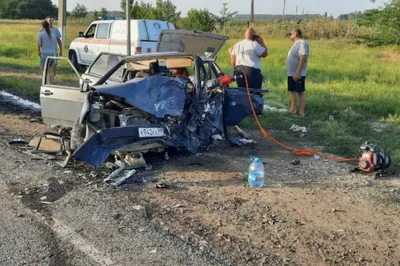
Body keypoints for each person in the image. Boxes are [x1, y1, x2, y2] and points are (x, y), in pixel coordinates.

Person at [286, 27, 310, 117]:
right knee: (292, 90)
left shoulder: (302, 43)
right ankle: (292, 108)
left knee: (300, 91)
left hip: (298, 73)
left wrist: (297, 72)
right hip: (291, 73)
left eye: (291, 33)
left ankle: (301, 111)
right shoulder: (296, 44)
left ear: (295, 34)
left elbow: (303, 58)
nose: (290, 35)